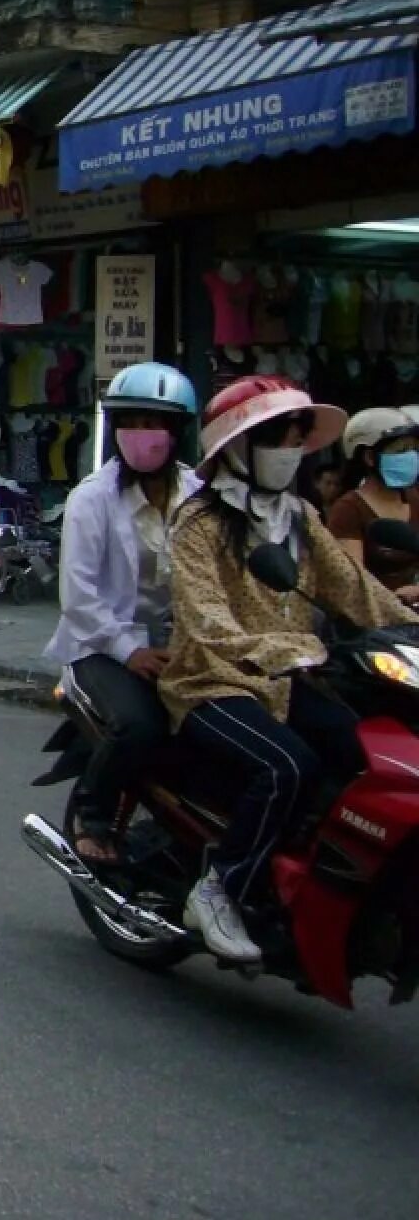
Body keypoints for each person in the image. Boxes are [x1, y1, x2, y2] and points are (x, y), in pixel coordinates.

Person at [161, 377, 415, 962]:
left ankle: (308, 878)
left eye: (299, 438)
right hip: (213, 680)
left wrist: (405, 619)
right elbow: (205, 621)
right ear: (238, 446)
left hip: (289, 678)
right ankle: (219, 886)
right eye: (277, 437)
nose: (291, 449)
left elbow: (353, 590)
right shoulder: (198, 523)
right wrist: (285, 650)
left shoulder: (298, 515)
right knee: (286, 767)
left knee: (361, 754)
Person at [42, 362, 202, 864]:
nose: (144, 435)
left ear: (177, 433)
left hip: (184, 645)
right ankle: (94, 814)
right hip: (102, 646)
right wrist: (127, 650)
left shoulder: (200, 496)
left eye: (156, 424)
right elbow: (79, 595)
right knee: (138, 724)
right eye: (133, 422)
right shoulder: (92, 498)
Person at [328, 407, 419, 603]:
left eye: (413, 450)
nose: (411, 458)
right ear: (369, 458)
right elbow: (352, 583)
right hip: (377, 619)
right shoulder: (348, 510)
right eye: (400, 451)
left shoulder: (414, 499)